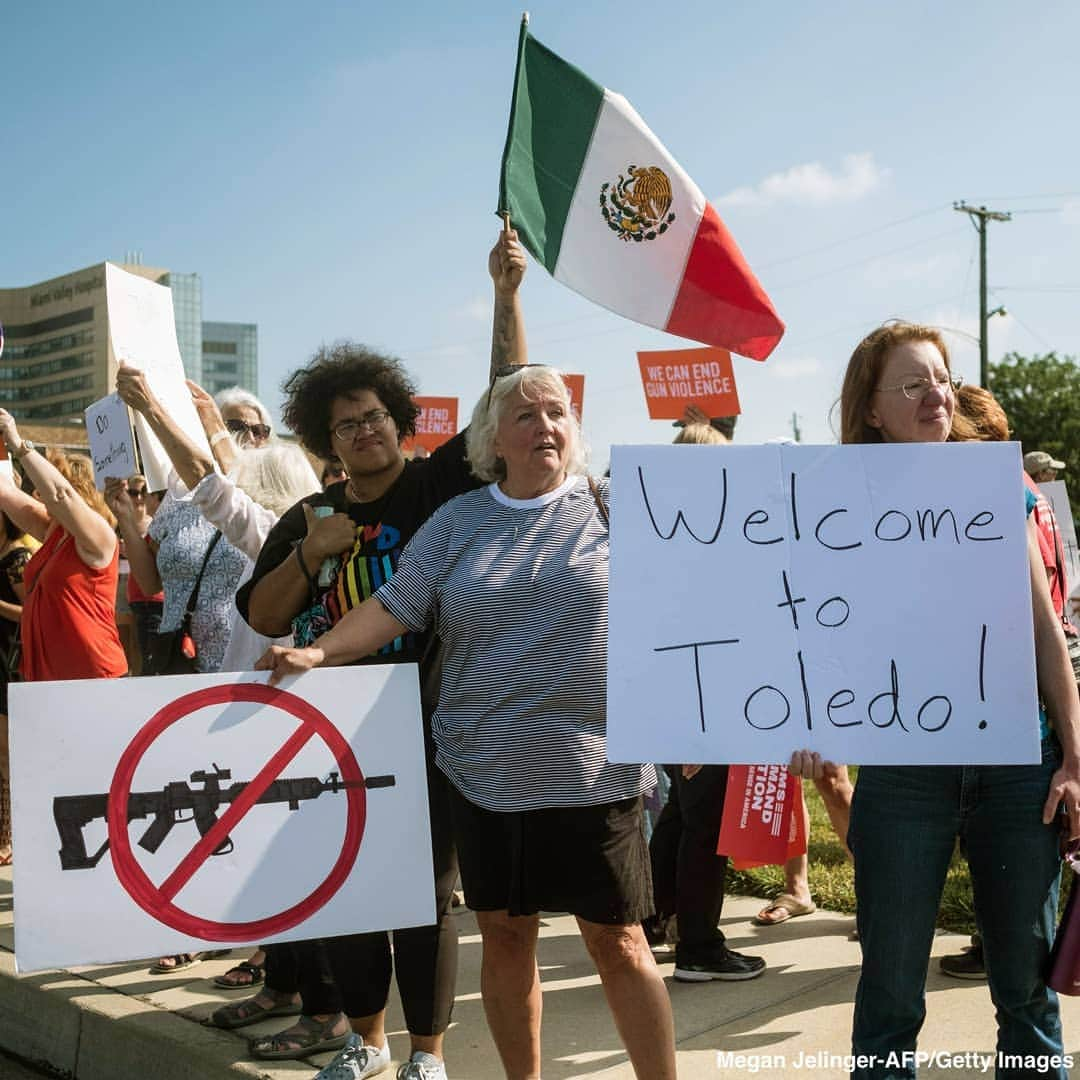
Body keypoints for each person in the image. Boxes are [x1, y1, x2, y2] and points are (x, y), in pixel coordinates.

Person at [256, 362, 678, 1080]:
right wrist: (319, 651)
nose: (545, 424)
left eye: (557, 413)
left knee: (621, 944)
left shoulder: (621, 508)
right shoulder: (459, 520)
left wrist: (697, 715)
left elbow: (684, 614)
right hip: (484, 777)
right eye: (526, 415)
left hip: (594, 770)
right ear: (492, 440)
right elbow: (393, 605)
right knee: (506, 938)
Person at [221, 226, 528, 1080]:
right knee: (347, 884)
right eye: (347, 424)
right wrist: (313, 556)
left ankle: (427, 1053)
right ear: (327, 441)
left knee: (425, 895)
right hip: (330, 726)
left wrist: (506, 296)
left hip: (434, 718)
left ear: (400, 421)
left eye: (377, 417)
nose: (365, 432)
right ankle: (366, 1042)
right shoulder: (308, 518)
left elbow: (505, 392)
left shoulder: (439, 486)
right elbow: (262, 610)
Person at [789, 321, 1080, 1079]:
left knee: (1025, 988)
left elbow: (1045, 633)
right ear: (873, 410)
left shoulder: (994, 486)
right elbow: (808, 632)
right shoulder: (825, 506)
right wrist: (807, 721)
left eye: (941, 378)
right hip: (903, 772)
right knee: (889, 990)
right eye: (913, 383)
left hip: (1018, 769)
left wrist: (1076, 755)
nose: (936, 394)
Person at [643, 418, 765, 982]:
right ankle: (699, 946)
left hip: (685, 705)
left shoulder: (663, 530)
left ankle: (657, 919)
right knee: (705, 829)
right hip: (699, 709)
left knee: (680, 818)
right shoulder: (689, 539)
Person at [0, 511, 30, 866]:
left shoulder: (17, 557)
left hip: (9, 659)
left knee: (9, 756)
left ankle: (14, 838)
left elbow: (30, 611)